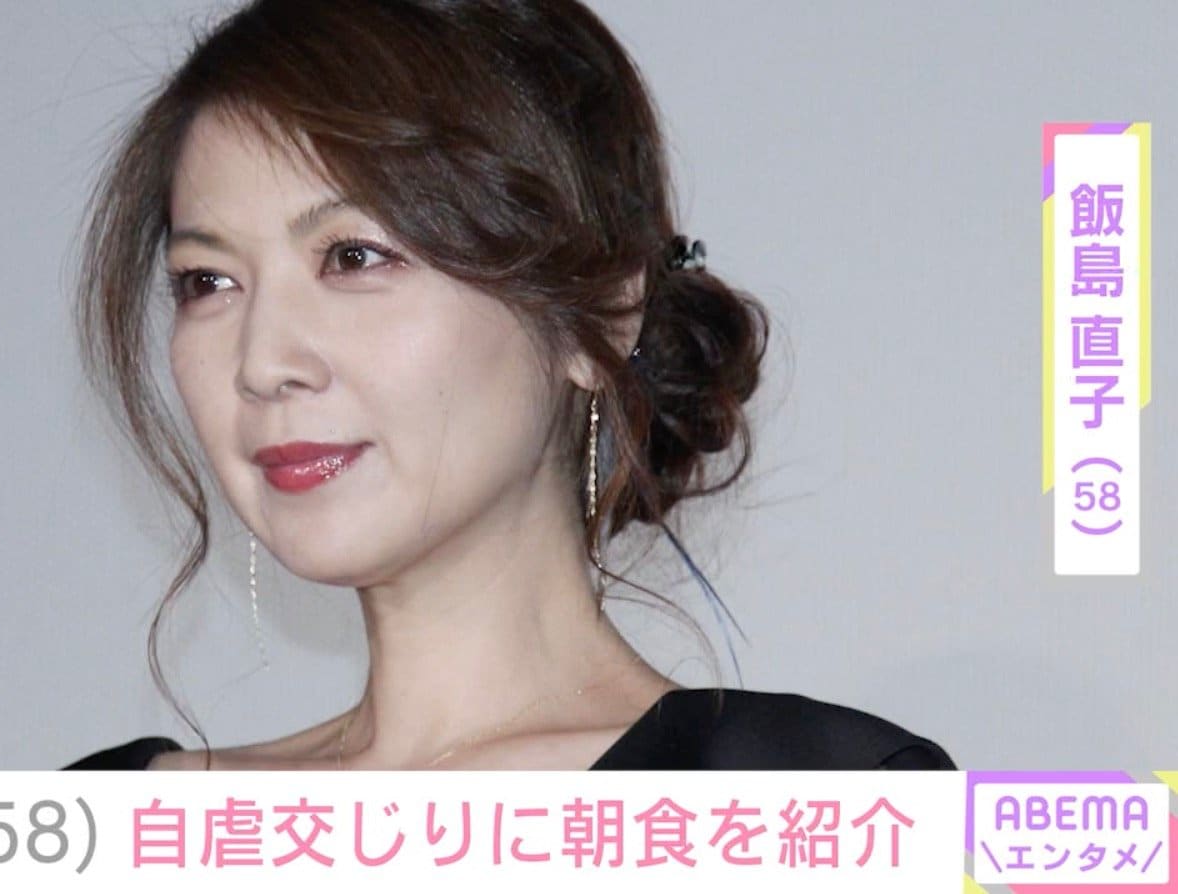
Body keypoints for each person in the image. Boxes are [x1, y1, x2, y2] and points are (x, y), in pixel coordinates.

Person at [64, 0, 955, 771]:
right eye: (207, 281)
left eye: (354, 257)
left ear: (602, 314)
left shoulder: (827, 803)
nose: (261, 363)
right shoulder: (93, 830)